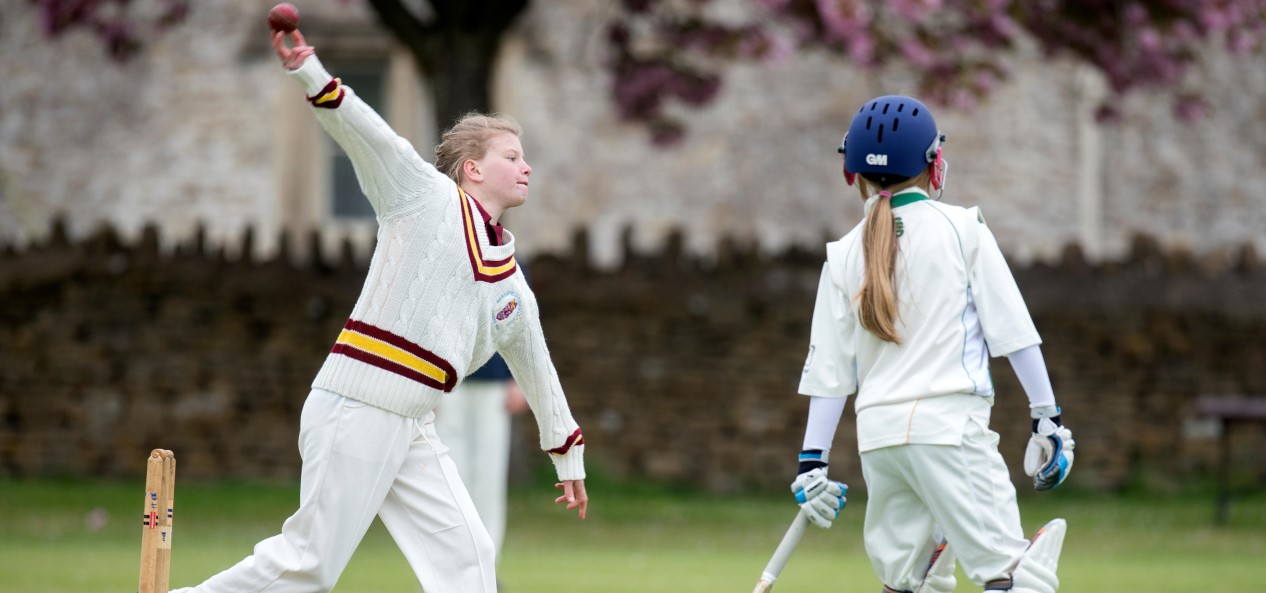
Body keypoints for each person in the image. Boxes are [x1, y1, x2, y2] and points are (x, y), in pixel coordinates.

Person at [171, 26, 588, 593]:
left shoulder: (510, 281)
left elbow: (538, 370)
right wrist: (311, 73)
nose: (526, 167)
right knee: (309, 565)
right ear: (472, 169)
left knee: (468, 555)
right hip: (355, 405)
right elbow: (373, 137)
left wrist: (567, 456)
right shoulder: (422, 198)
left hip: (412, 423)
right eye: (512, 156)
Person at [790, 95, 1076, 593]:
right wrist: (1046, 417)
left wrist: (811, 463)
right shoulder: (962, 228)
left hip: (879, 442)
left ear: (852, 173)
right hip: (949, 434)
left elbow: (830, 375)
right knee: (1016, 578)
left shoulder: (841, 255)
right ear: (934, 164)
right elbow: (1013, 333)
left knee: (910, 584)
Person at [433, 353, 528, 566]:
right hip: (447, 378)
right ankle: (445, 565)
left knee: (489, 475)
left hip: (493, 378)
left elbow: (515, 321)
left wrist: (517, 377)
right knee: (447, 475)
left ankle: (486, 565)